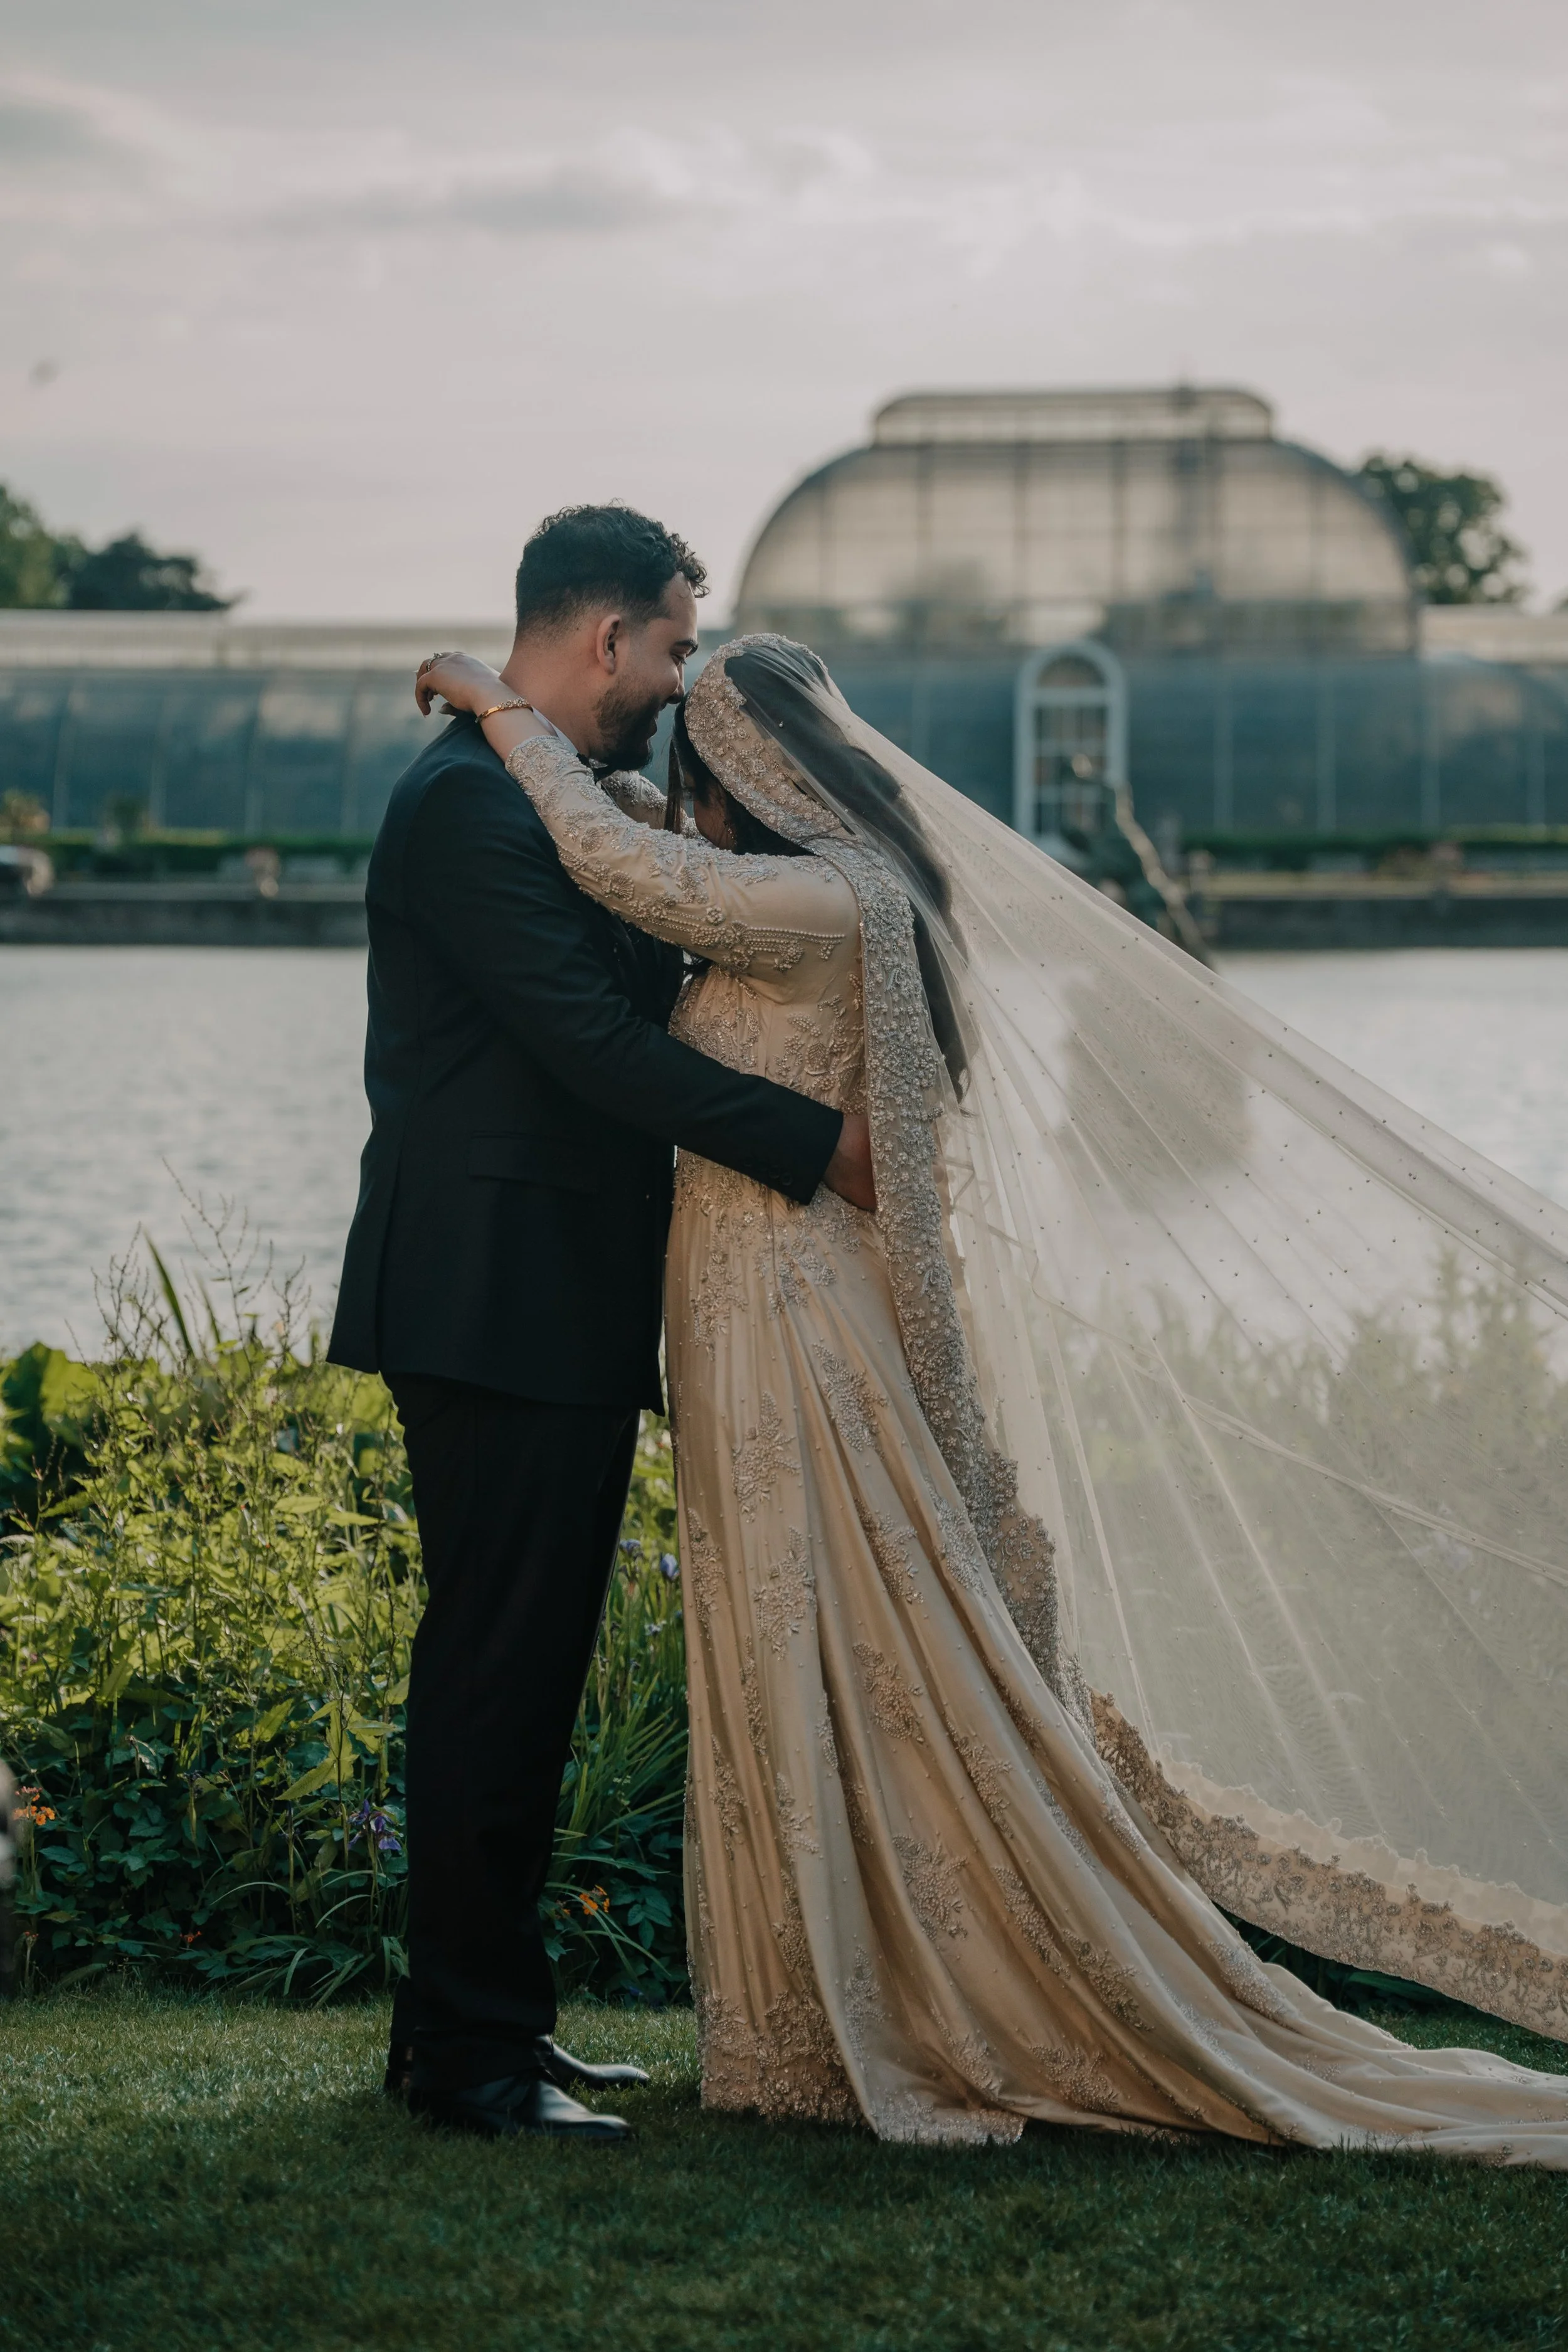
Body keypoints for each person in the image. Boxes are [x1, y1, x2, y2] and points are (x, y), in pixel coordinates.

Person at [411, 627, 1568, 2163]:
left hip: (785, 1314)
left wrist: (499, 710)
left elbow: (637, 879)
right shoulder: (829, 892)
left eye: (699, 768)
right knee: (774, 1637)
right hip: (739, 1306)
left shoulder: (826, 898)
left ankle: (880, 1999)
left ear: (749, 773)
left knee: (830, 1627)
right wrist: (565, 759)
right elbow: (639, 853)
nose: (678, 803)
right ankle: (789, 2022)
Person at [327, 512, 875, 2143]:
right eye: (668, 646)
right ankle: (472, 2064)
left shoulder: (533, 801)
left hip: (542, 1306)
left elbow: (649, 970)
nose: (676, 680)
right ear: (598, 642)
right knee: (495, 1674)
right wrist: (815, 1145)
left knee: (521, 1675)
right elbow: (592, 1043)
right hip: (490, 1303)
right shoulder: (464, 811)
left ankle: (485, 2030)